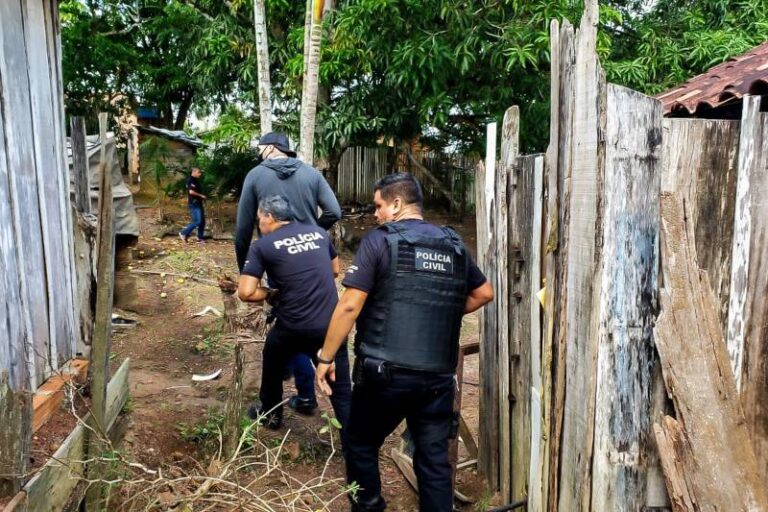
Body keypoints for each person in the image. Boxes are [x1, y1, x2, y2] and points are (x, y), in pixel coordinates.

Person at [314, 173, 494, 512]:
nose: (375, 214)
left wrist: (325, 358)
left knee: (361, 442)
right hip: (439, 379)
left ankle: (368, 506)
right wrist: (440, 314)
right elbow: (485, 293)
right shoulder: (453, 244)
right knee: (434, 460)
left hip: (386, 375)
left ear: (397, 204)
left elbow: (350, 304)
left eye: (379, 206)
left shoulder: (380, 241)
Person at [235, 132, 342, 415]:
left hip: (276, 259)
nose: (258, 152)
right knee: (300, 329)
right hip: (317, 259)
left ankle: (280, 403)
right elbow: (334, 210)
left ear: (270, 149)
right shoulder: (311, 174)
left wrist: (246, 270)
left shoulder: (256, 176)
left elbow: (242, 230)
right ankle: (306, 396)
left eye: (260, 148)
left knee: (290, 326)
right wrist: (315, 233)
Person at [238, 195, 352, 438]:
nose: (260, 225)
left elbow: (246, 292)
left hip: (293, 326)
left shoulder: (262, 246)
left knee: (272, 359)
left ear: (269, 217)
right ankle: (354, 440)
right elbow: (334, 270)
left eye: (260, 220)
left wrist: (269, 292)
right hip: (332, 325)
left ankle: (271, 415)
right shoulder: (318, 233)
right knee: (341, 388)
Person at [180, 167, 206, 243]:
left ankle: (200, 238)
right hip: (194, 204)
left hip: (198, 203)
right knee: (198, 221)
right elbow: (191, 192)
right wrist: (201, 196)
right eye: (198, 172)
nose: (200, 174)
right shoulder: (190, 180)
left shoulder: (196, 181)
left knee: (202, 221)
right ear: (193, 172)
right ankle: (183, 233)